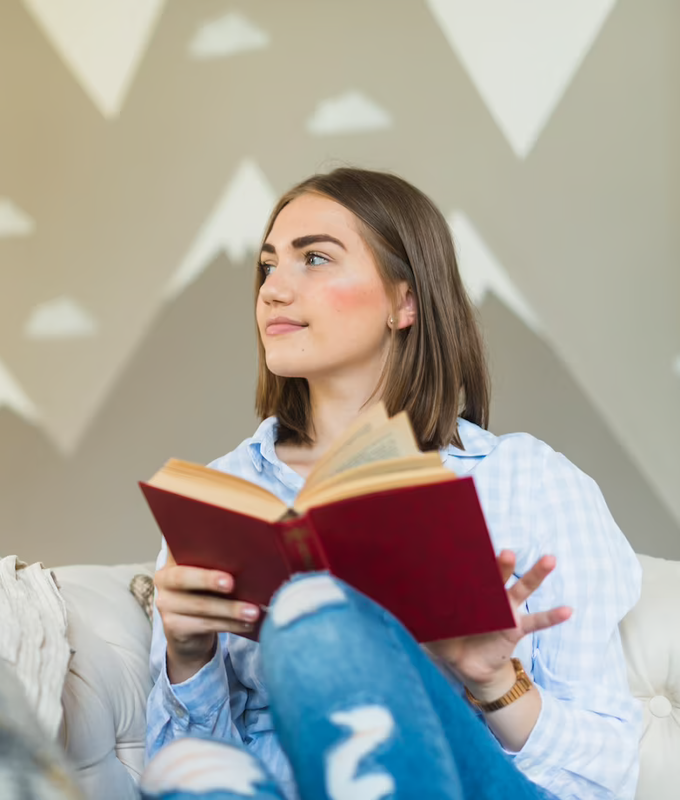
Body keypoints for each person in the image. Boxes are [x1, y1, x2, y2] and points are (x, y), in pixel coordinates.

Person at [140, 168, 642, 800]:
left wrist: (494, 684)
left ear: (405, 302)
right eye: (267, 266)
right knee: (184, 773)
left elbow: (609, 778)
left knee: (310, 613)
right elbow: (175, 771)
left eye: (314, 259)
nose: (272, 290)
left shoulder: (531, 480)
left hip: (475, 781)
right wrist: (189, 658)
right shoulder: (218, 494)